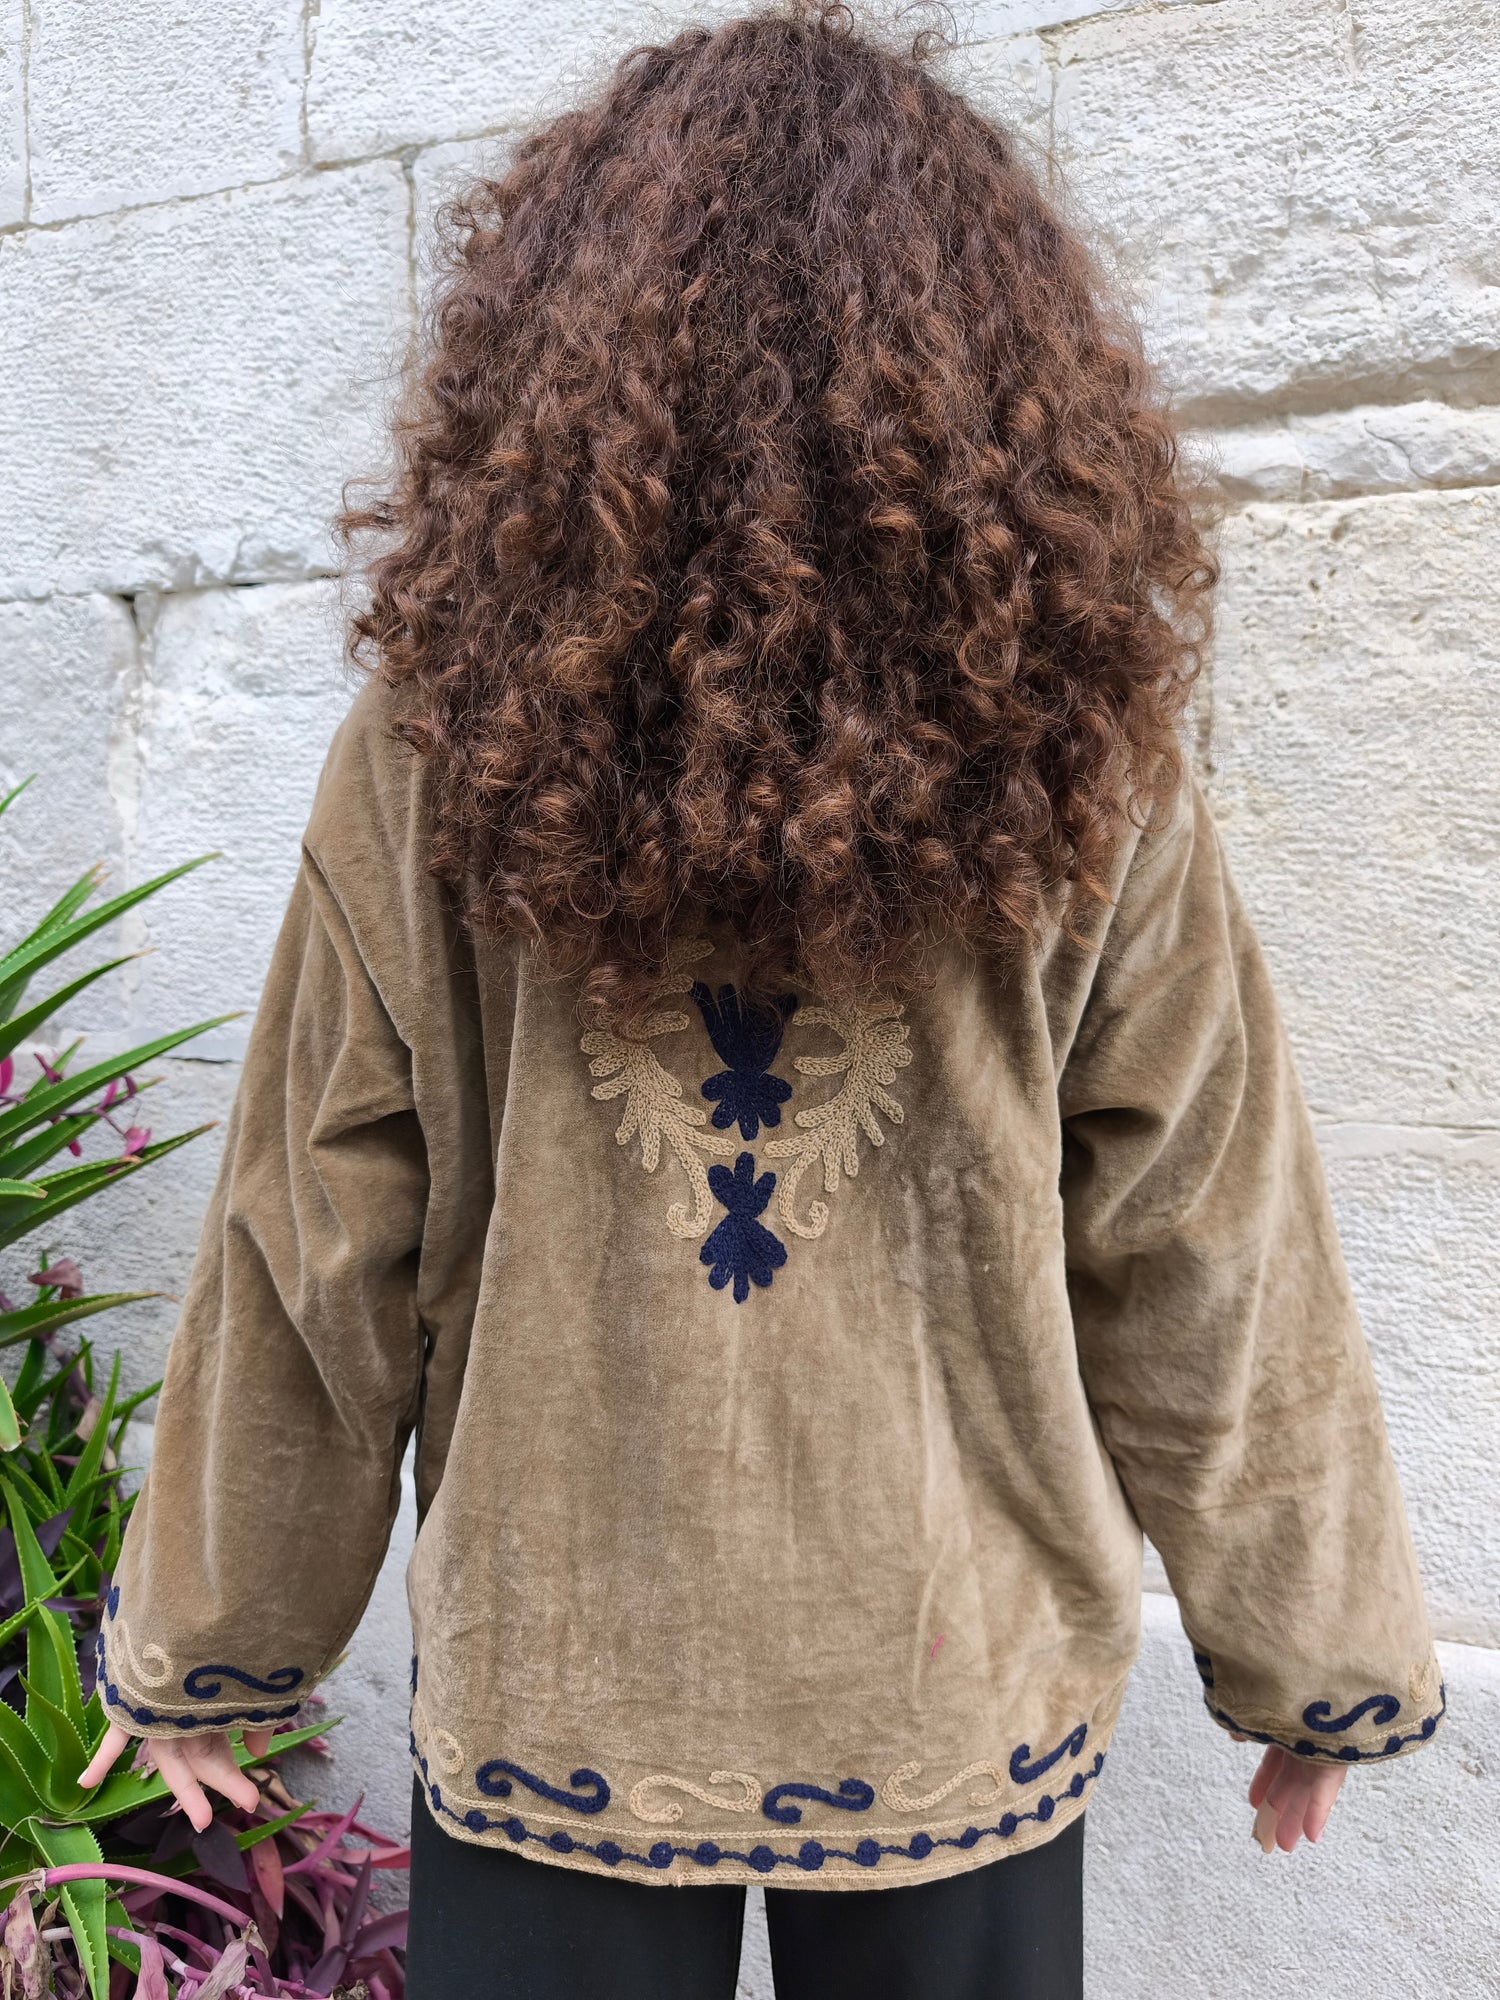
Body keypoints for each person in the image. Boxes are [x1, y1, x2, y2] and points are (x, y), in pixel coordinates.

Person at [79, 5, 1444, 1994]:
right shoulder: (1081, 752)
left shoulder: (435, 748)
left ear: (554, 361)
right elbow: (1201, 1240)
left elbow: (317, 1226)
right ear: (997, 370)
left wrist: (214, 1650)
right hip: (946, 1683)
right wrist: (1316, 1660)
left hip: (565, 1670)